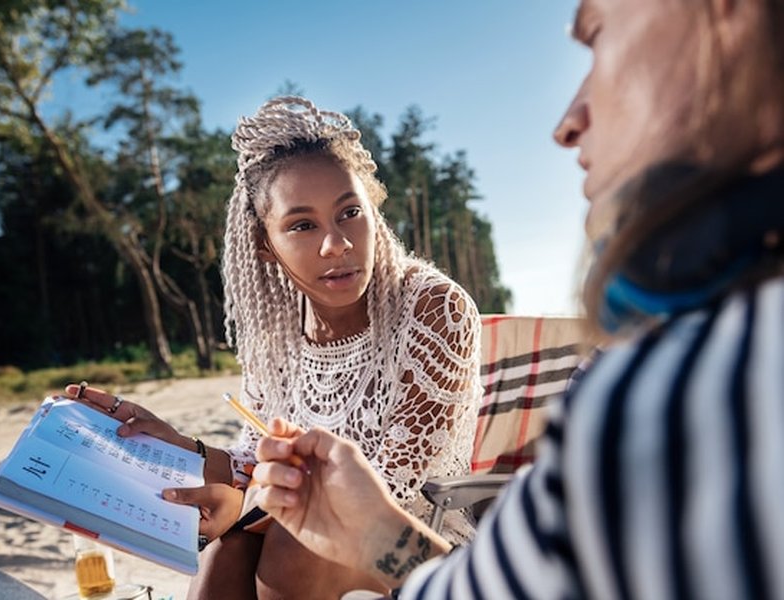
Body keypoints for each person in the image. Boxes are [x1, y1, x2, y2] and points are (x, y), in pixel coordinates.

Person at [252, 0, 784, 598]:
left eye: (600, 38)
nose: (567, 122)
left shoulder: (676, 385)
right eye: (300, 226)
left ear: (732, 18)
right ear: (266, 248)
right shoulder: (679, 370)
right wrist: (372, 532)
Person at [70, 96, 483, 599]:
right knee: (231, 546)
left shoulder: (434, 309)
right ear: (266, 244)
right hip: (294, 517)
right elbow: (253, 458)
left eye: (350, 212)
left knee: (277, 543)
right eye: (303, 225)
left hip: (412, 538)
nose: (337, 244)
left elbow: (387, 490)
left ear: (373, 212)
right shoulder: (277, 328)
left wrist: (247, 505)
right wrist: (177, 445)